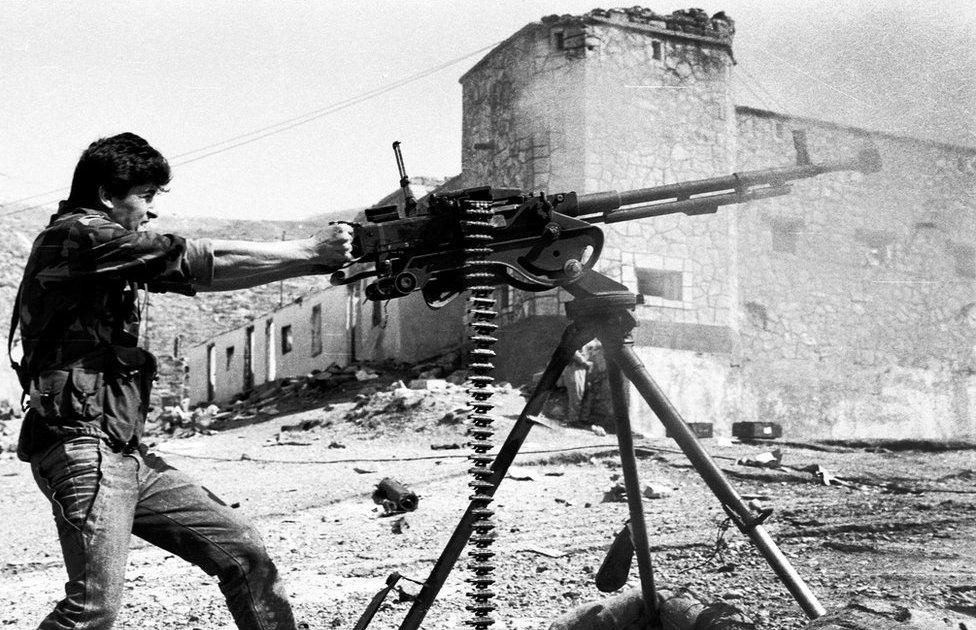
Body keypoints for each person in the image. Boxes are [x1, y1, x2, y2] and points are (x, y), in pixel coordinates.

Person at [11, 132, 354, 630]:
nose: (151, 211)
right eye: (145, 196)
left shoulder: (106, 252)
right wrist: (308, 247)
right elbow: (194, 259)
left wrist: (314, 262)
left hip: (122, 454)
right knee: (92, 610)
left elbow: (201, 274)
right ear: (107, 194)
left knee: (243, 555)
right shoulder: (77, 236)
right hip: (82, 451)